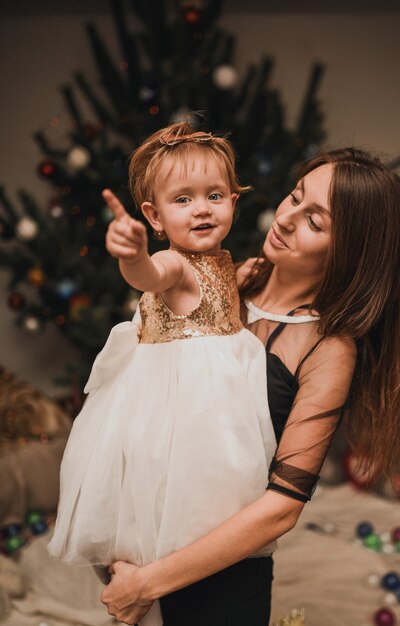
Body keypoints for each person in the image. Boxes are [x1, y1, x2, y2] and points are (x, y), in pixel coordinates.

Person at [99, 147, 400, 626]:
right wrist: (121, 549)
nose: (286, 218)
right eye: (294, 197)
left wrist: (151, 581)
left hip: (220, 577)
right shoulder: (224, 278)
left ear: (351, 249)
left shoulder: (328, 350)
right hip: (140, 544)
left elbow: (280, 508)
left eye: (315, 221)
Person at [47, 121, 278, 625]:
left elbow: (207, 299)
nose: (202, 208)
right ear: (153, 215)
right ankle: (178, 573)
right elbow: (153, 276)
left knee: (221, 503)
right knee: (188, 505)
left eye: (215, 195)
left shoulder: (214, 260)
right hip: (189, 415)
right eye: (183, 199)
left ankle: (199, 569)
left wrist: (235, 281)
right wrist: (132, 255)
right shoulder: (171, 262)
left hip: (212, 407)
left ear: (234, 202)